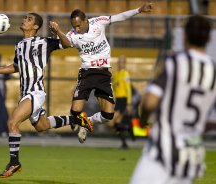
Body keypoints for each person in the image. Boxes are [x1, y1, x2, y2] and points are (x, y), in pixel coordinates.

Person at [0, 13, 93, 178]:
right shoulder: (19, 45)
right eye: (25, 17)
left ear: (35, 27)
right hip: (25, 93)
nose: (25, 20)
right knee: (42, 126)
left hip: (35, 92)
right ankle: (76, 119)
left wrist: (58, 31)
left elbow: (67, 44)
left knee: (12, 122)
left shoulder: (44, 42)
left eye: (29, 19)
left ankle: (14, 162)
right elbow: (16, 66)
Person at [130, 15, 216, 184]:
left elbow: (149, 102)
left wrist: (143, 121)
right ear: (209, 38)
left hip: (162, 152)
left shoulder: (175, 63)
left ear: (185, 35)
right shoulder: (213, 71)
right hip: (191, 156)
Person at [50, 3, 153, 143]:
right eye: (74, 26)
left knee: (108, 115)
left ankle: (86, 123)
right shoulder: (72, 35)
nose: (77, 29)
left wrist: (139, 10)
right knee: (75, 112)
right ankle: (77, 120)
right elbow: (65, 44)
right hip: (87, 73)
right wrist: (57, 33)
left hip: (103, 74)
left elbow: (120, 17)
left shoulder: (99, 22)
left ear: (86, 20)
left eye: (79, 25)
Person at [112, 55, 132, 148]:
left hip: (123, 100)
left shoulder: (125, 74)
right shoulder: (115, 75)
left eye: (122, 62)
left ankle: (129, 129)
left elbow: (128, 89)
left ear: (124, 64)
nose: (120, 64)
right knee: (117, 123)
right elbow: (115, 89)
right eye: (119, 62)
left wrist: (128, 103)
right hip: (118, 100)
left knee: (113, 120)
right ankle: (125, 142)